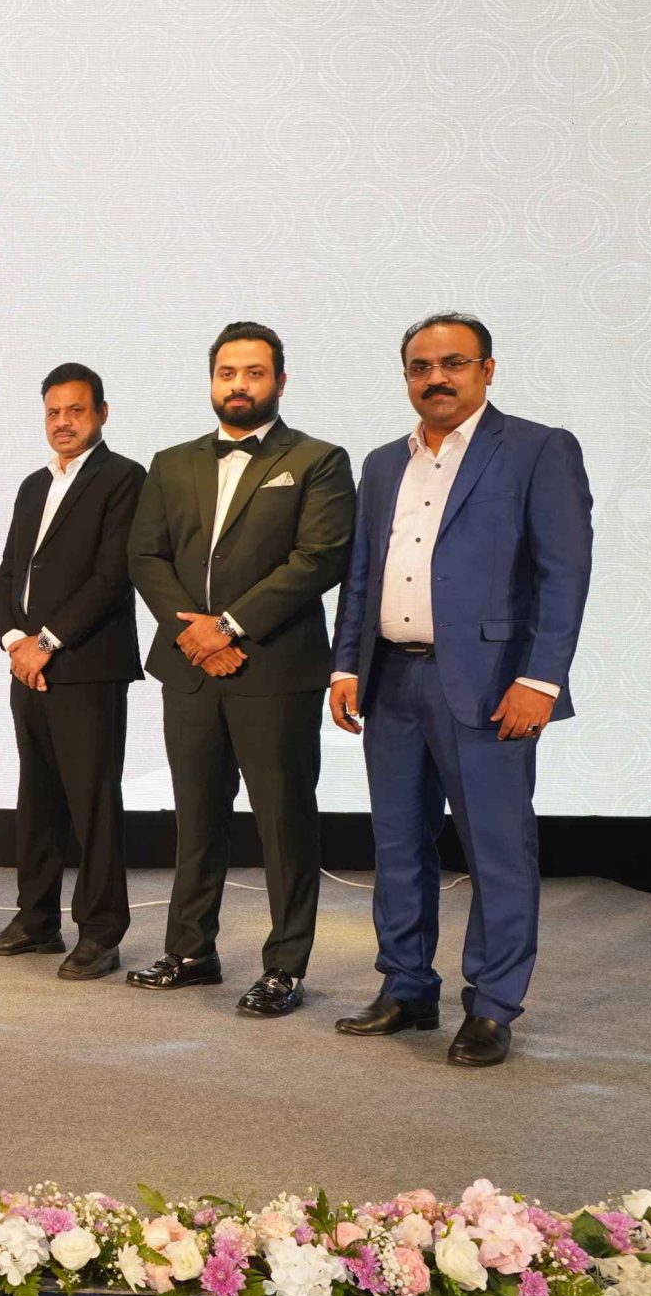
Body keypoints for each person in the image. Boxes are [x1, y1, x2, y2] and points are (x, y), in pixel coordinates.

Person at [330, 313, 593, 1068]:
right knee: (397, 844)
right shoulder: (385, 462)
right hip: (392, 680)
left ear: (487, 370)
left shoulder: (538, 448)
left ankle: (492, 1006)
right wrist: (346, 665)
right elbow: (361, 573)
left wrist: (540, 680)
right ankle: (407, 985)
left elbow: (565, 572)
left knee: (497, 849)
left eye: (453, 363)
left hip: (490, 685)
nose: (436, 378)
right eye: (420, 366)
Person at [125, 321, 355, 1017]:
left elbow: (318, 559)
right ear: (212, 380)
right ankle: (191, 951)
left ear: (280, 381)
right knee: (196, 815)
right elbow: (145, 556)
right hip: (191, 668)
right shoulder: (171, 462)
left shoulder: (318, 460)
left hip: (273, 669)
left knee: (284, 822)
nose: (239, 384)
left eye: (254, 372)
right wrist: (194, 634)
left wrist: (228, 626)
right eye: (227, 372)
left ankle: (285, 967)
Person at [0, 361, 147, 979]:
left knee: (93, 803)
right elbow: (10, 571)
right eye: (53, 412)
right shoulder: (32, 485)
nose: (63, 422)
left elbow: (112, 575)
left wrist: (47, 642)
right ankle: (36, 920)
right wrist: (15, 640)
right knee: (37, 797)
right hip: (29, 665)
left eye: (76, 410)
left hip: (86, 665)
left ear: (102, 413)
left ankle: (101, 934)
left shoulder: (125, 478)